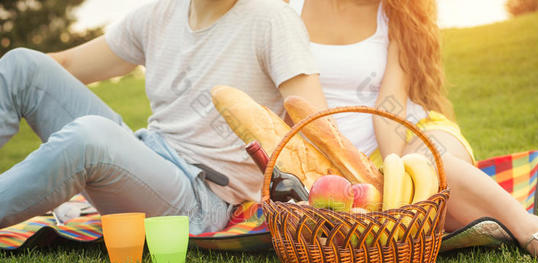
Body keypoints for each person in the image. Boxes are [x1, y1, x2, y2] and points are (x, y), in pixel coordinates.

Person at [286, 0, 538, 263]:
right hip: (343, 158)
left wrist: (398, 168)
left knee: (434, 169)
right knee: (429, 215)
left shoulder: (398, 11)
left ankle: (528, 232)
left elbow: (392, 101)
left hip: (409, 131)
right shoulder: (287, 8)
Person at [0, 0, 328, 234]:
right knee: (23, 65)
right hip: (145, 158)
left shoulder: (271, 18)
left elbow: (316, 122)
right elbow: (66, 66)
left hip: (202, 197)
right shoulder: (159, 14)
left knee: (91, 137)